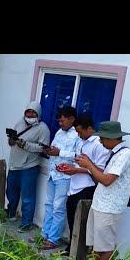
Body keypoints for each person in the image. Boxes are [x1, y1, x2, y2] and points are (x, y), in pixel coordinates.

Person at [75, 121, 130, 260]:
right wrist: (89, 165)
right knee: (97, 245)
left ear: (112, 138)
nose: (100, 141)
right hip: (100, 204)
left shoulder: (125, 154)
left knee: (105, 247)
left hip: (109, 207)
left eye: (102, 138)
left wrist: (89, 165)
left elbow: (107, 180)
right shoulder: (115, 154)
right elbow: (103, 175)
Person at [60, 114, 111, 255]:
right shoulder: (82, 141)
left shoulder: (99, 145)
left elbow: (99, 170)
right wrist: (70, 168)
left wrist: (76, 170)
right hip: (74, 186)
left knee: (82, 222)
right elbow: (80, 162)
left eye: (80, 131)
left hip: (87, 187)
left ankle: (80, 252)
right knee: (72, 219)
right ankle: (72, 247)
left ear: (89, 129)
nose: (78, 134)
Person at [38, 106, 80, 249]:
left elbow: (78, 156)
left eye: (62, 121)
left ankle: (53, 239)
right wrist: (49, 150)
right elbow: (54, 148)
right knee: (49, 205)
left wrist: (60, 152)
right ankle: (44, 234)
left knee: (58, 207)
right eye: (59, 121)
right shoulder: (59, 132)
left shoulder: (77, 135)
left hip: (65, 176)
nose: (60, 124)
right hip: (53, 174)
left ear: (71, 119)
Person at [5, 101, 51, 232]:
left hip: (29, 166)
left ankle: (26, 223)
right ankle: (11, 214)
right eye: (28, 112)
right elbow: (12, 141)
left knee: (27, 196)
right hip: (15, 164)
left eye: (33, 112)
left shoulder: (43, 129)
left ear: (38, 114)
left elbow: (43, 148)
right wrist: (12, 140)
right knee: (11, 192)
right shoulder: (20, 123)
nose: (30, 115)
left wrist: (25, 144)